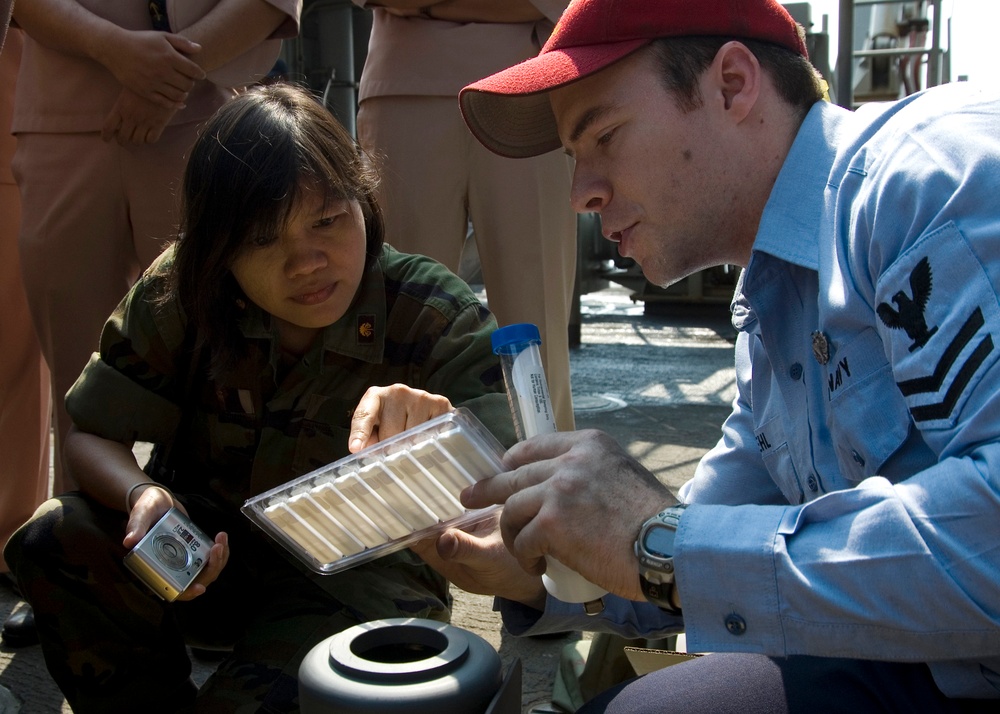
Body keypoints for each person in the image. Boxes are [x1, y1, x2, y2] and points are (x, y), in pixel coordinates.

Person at [408, 0, 1000, 711]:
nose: (580, 193)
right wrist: (540, 568)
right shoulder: (774, 301)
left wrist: (661, 542)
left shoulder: (927, 181)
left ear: (731, 85)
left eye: (605, 136)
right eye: (573, 158)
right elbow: (696, 537)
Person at [3, 82, 516, 712]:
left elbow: (513, 496)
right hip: (203, 558)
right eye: (264, 239)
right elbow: (90, 432)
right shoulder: (186, 289)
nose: (307, 262)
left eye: (328, 220)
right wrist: (143, 498)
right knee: (56, 535)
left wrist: (448, 443)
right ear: (218, 251)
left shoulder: (435, 316)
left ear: (364, 200)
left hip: (354, 585)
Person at [11, 0, 301, 493]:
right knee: (76, 385)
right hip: (65, 115)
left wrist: (172, 73)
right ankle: (85, 553)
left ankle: (248, 544)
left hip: (213, 116)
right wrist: (114, 49)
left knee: (235, 359)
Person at [353, 0, 579, 431]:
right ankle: (394, 478)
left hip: (526, 89)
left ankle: (549, 479)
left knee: (538, 329)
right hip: (410, 85)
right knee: (398, 321)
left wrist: (428, 8)